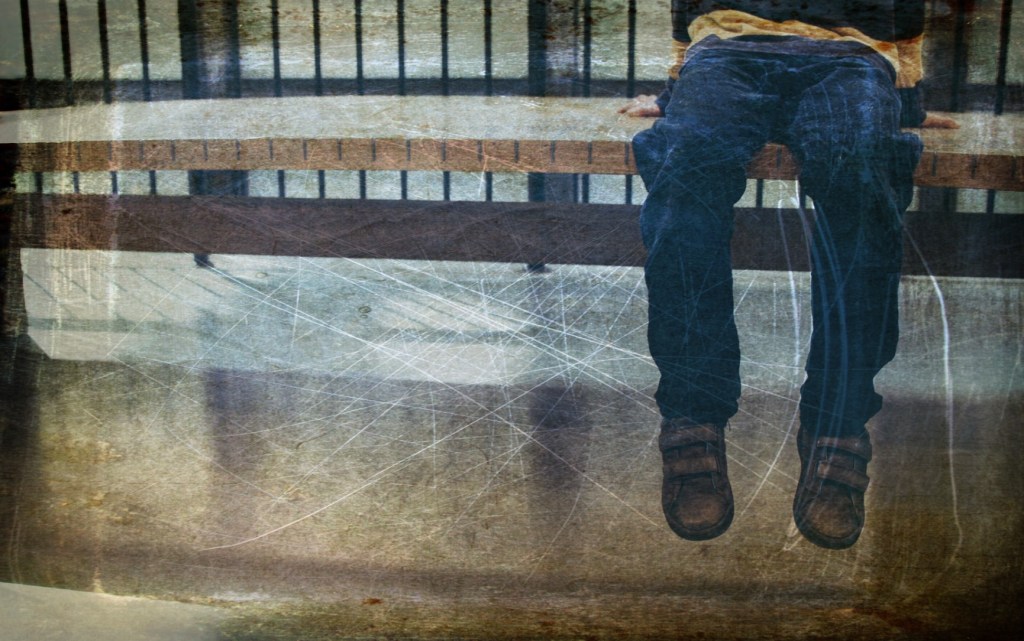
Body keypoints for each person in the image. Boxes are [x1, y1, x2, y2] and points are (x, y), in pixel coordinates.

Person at [620, 1, 956, 549]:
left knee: (862, 172)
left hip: (851, 56)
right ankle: (693, 416)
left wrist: (907, 102)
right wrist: (673, 94)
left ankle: (838, 424)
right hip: (728, 51)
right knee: (685, 169)